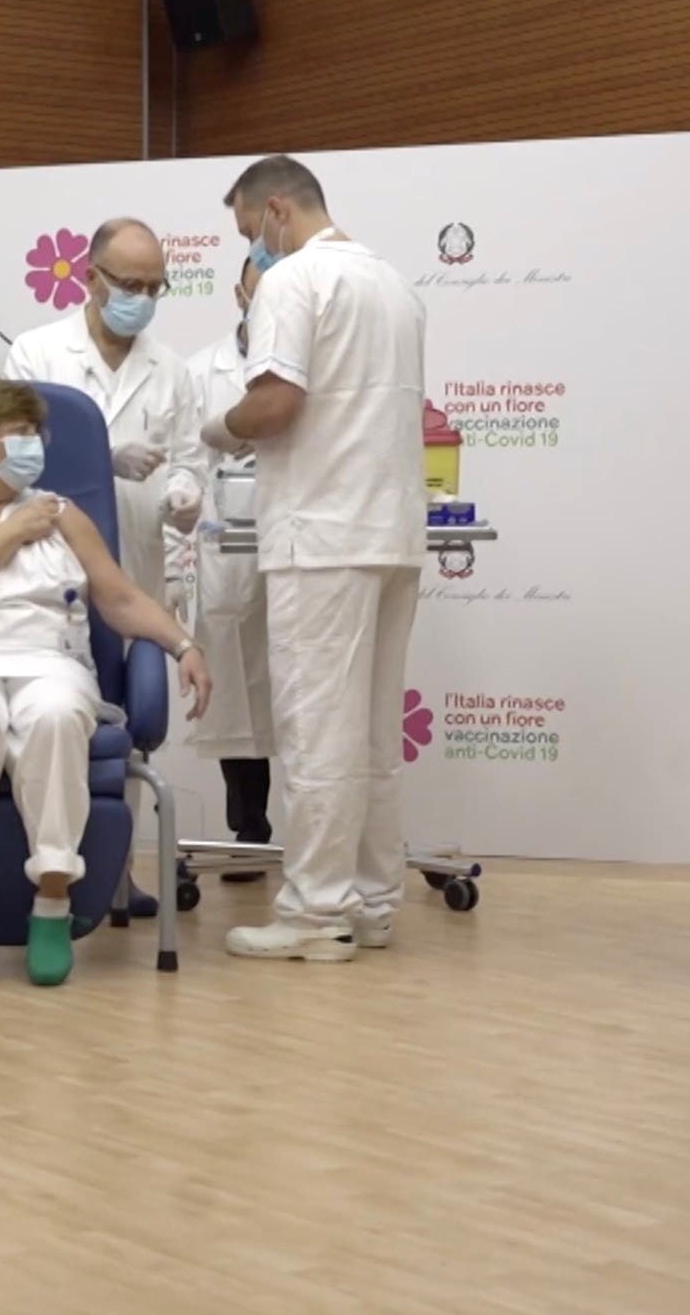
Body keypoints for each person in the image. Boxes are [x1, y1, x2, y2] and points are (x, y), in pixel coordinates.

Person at [0, 375, 213, 987]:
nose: (36, 445)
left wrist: (183, 644)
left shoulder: (65, 515)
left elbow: (119, 599)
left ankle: (53, 900)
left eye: (37, 433)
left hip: (49, 660)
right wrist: (14, 529)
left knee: (58, 712)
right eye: (20, 434)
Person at [203, 156, 424, 963]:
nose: (251, 252)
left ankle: (313, 914)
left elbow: (276, 403)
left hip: (323, 536)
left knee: (317, 732)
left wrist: (216, 425)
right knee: (369, 736)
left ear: (276, 212)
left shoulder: (292, 283)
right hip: (393, 531)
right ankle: (370, 903)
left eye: (248, 233)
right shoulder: (394, 285)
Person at [3, 217, 202, 914]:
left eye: (155, 288)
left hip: (133, 567)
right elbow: (9, 460)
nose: (141, 300)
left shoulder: (171, 369)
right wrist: (100, 458)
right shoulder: (36, 352)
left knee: (127, 720)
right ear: (91, 279)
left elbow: (188, 460)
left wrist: (184, 497)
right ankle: (38, 873)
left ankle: (115, 877)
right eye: (129, 285)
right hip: (46, 567)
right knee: (49, 715)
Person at [187, 257, 275, 882]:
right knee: (238, 691)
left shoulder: (318, 367)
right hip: (226, 551)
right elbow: (185, 468)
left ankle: (328, 836)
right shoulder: (199, 372)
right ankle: (250, 830)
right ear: (238, 292)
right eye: (260, 285)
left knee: (304, 690)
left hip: (306, 546)